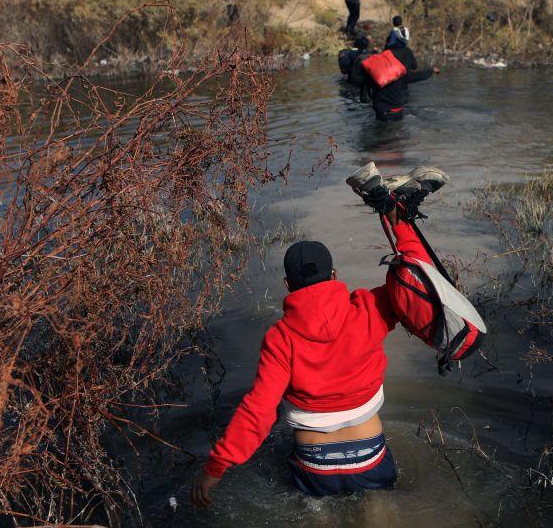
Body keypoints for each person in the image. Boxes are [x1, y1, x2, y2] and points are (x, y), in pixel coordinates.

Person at [191, 168, 450, 505]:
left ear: (287, 285)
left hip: (314, 466)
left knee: (318, 512)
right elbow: (417, 279)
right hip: (369, 455)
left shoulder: (280, 338)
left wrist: (215, 468)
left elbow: (258, 411)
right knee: (378, 512)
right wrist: (397, 219)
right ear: (334, 275)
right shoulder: (370, 307)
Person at [370, 43, 439, 122]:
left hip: (382, 111)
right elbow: (418, 75)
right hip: (397, 110)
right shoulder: (399, 74)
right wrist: (431, 70)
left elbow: (358, 80)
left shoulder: (374, 74)